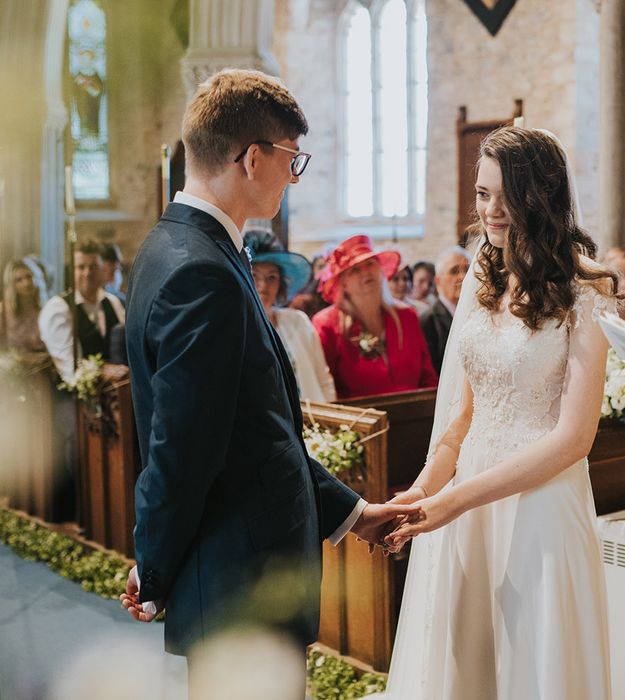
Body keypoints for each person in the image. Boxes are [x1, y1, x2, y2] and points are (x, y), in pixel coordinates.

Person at [118, 69, 418, 662]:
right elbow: (181, 449)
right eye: (291, 159)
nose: (293, 175)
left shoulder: (179, 247)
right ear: (253, 159)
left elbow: (257, 433)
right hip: (244, 585)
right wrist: (152, 571)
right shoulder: (200, 272)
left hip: (241, 574)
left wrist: (355, 515)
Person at [377, 127, 621, 699]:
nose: (491, 209)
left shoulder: (588, 292)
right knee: (467, 665)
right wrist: (422, 491)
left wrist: (454, 499)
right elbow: (459, 416)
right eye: (483, 194)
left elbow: (573, 439)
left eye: (505, 194)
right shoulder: (480, 282)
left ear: (541, 194)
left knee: (532, 668)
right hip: (465, 504)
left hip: (540, 507)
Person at [313, 234, 438, 400]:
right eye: (355, 269)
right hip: (358, 422)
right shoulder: (327, 324)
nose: (365, 272)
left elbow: (428, 377)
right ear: (342, 282)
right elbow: (326, 390)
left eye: (370, 264)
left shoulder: (406, 316)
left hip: (415, 418)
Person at [244, 227, 336, 403]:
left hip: (316, 421)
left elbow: (324, 380)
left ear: (281, 283)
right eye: (254, 276)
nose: (263, 285)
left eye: (272, 277)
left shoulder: (298, 321)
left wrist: (332, 422)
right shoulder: (237, 330)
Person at [38, 240, 125, 383]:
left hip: (116, 396)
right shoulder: (58, 308)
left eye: (93, 266)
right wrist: (102, 370)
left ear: (102, 268)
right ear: (72, 270)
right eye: (81, 267)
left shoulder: (113, 302)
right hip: (72, 400)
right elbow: (68, 366)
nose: (87, 273)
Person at [419, 246, 471, 373]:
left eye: (467, 270)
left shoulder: (478, 313)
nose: (462, 277)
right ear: (438, 281)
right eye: (454, 271)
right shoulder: (428, 320)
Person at [0, 259, 48, 361]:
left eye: (29, 277)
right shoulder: (3, 311)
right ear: (11, 284)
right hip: (14, 371)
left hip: (43, 368)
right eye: (19, 280)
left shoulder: (43, 310)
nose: (26, 283)